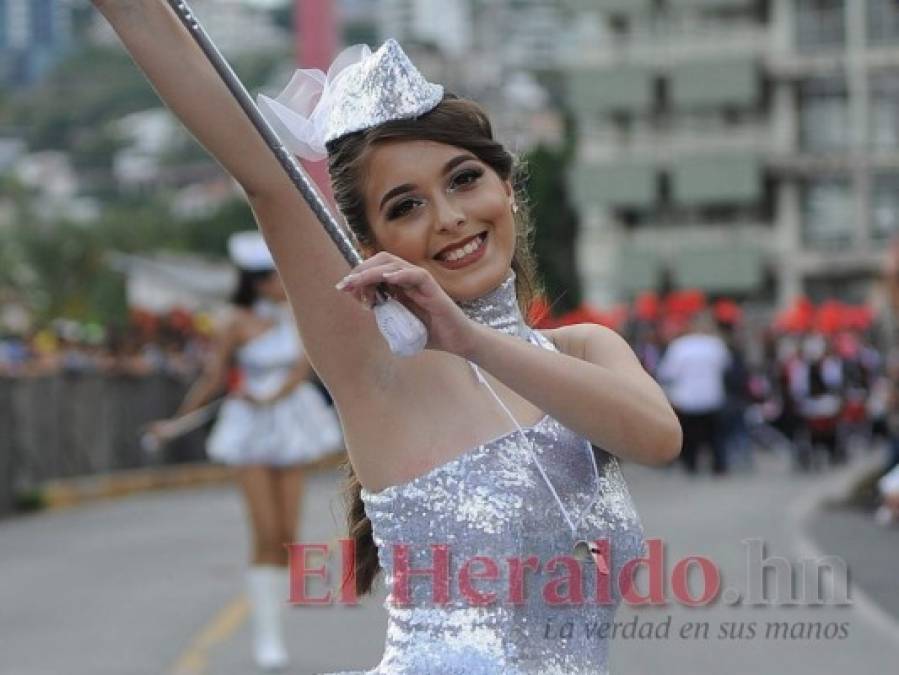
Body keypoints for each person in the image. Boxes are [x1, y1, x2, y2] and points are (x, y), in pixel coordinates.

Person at [94, 3, 681, 672]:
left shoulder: (585, 352)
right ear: (370, 244)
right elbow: (263, 175)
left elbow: (656, 438)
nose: (450, 218)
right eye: (405, 206)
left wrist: (473, 340)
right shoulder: (381, 363)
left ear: (506, 186)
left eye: (464, 179)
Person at [149, 231, 342, 671]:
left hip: (290, 422)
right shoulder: (233, 321)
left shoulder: (296, 314)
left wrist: (275, 395)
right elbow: (214, 378)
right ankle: (267, 635)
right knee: (266, 532)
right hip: (250, 428)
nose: (281, 281)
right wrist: (176, 421)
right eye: (273, 276)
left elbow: (302, 368)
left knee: (290, 537)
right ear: (256, 280)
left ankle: (273, 603)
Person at [657, 312, 731, 475]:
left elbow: (668, 372)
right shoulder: (716, 345)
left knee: (691, 436)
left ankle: (692, 465)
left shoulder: (680, 346)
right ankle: (719, 465)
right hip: (711, 396)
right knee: (714, 436)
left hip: (688, 397)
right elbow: (726, 367)